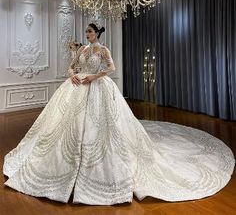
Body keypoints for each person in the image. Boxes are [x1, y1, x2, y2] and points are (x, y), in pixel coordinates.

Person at [3, 22, 235, 205]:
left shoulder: (103, 50)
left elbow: (112, 68)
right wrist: (72, 74)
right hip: (77, 86)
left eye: (90, 31)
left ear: (97, 33)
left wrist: (95, 76)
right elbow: (72, 65)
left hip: (97, 86)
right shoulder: (82, 49)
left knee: (102, 125)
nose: (87, 34)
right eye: (86, 31)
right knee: (65, 125)